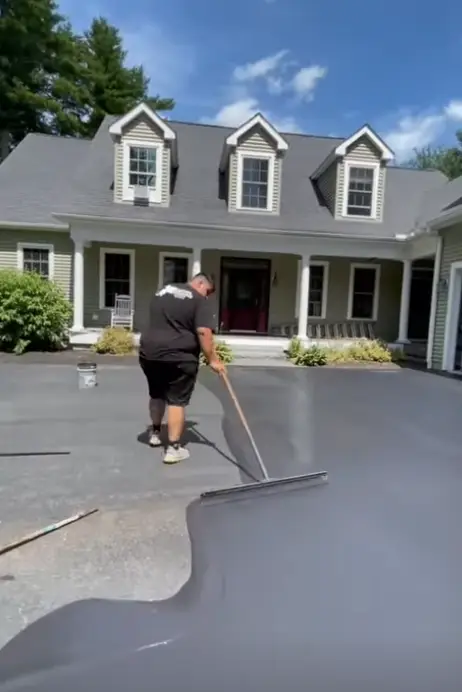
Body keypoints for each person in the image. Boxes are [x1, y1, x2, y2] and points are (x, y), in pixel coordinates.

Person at [139, 272, 226, 464]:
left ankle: (154, 433)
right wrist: (213, 359)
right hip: (179, 356)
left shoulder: (162, 291)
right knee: (176, 400)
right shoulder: (198, 300)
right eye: (208, 291)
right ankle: (173, 448)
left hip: (149, 352)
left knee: (157, 393)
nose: (207, 296)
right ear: (201, 283)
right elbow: (203, 331)